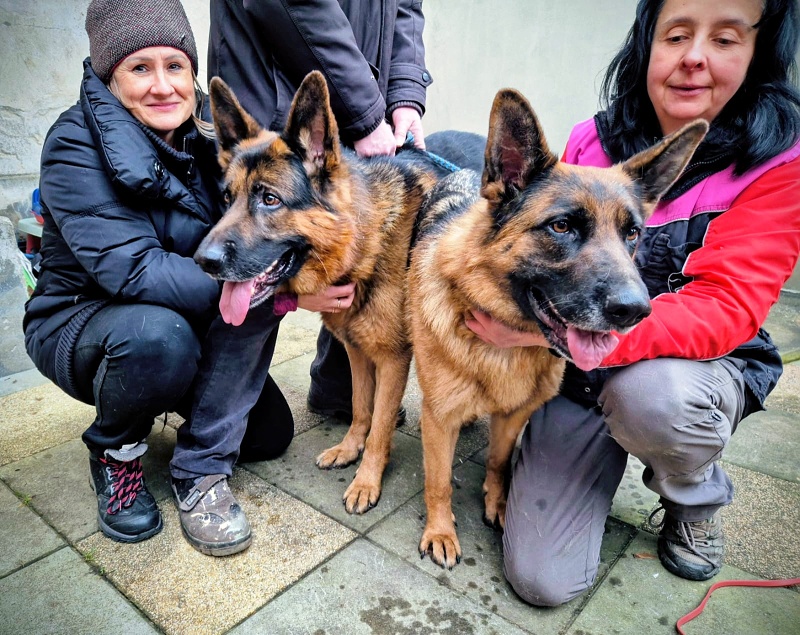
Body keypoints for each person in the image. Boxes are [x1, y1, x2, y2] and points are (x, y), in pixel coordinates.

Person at [466, 0, 800, 605]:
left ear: (759, 52)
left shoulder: (776, 164)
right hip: (580, 360)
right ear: (646, 45)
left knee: (653, 399)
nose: (693, 57)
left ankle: (693, 495)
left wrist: (541, 335)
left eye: (725, 39)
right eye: (676, 35)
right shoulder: (592, 140)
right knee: (542, 580)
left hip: (689, 372)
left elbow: (725, 307)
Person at [23, 0, 342, 557]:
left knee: (268, 435)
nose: (163, 86)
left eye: (175, 65)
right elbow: (135, 270)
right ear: (110, 75)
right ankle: (117, 453)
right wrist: (284, 293)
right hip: (85, 321)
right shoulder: (73, 144)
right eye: (140, 68)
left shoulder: (207, 132)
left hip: (182, 313)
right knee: (161, 341)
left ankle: (168, 399)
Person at [207, 0, 433, 422]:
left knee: (354, 283)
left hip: (358, 106)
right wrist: (367, 114)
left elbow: (404, 8)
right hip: (284, 92)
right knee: (253, 273)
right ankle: (212, 443)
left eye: (267, 201)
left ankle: (341, 398)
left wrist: (405, 94)